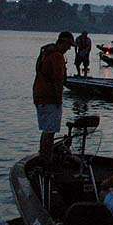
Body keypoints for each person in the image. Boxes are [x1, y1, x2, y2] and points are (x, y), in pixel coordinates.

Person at [33, 31, 74, 165]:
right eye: (68, 45)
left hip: (40, 97)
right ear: (62, 42)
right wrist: (58, 99)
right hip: (50, 99)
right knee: (50, 132)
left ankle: (43, 156)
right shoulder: (57, 57)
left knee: (46, 130)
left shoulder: (46, 54)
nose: (69, 48)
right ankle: (46, 160)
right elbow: (58, 80)